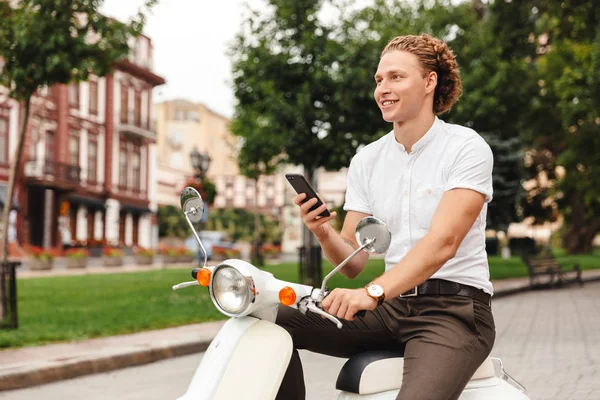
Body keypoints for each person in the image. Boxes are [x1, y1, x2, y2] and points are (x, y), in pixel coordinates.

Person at [276, 33, 496, 400]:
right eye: (379, 80)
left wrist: (371, 293)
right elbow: (352, 260)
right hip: (389, 308)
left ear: (429, 82)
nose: (383, 88)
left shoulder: (466, 148)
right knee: (272, 321)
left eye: (396, 77)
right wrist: (322, 231)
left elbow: (443, 243)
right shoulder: (367, 160)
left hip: (453, 311)